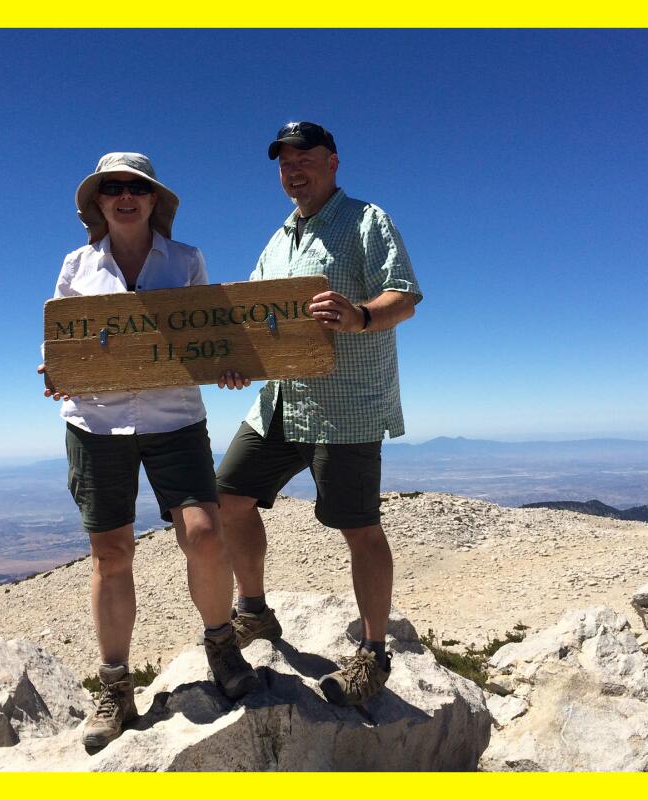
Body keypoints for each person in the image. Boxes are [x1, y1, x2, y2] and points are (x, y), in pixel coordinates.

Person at [38, 152, 257, 752]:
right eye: (113, 188)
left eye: (137, 187)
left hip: (174, 419)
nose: (125, 196)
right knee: (111, 552)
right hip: (96, 422)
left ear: (154, 199)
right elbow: (64, 339)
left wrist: (226, 365)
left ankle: (221, 645)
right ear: (98, 201)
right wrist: (55, 368)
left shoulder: (186, 260)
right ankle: (115, 686)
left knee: (204, 533)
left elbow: (208, 334)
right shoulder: (76, 265)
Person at [214, 122, 422, 706]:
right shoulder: (278, 240)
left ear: (332, 161)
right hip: (278, 401)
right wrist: (240, 363)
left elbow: (403, 296)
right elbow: (254, 318)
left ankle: (373, 656)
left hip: (345, 407)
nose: (293, 169)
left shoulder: (366, 220)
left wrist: (359, 314)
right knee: (227, 496)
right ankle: (254, 611)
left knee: (358, 529)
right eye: (284, 162)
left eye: (304, 158)